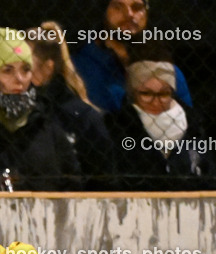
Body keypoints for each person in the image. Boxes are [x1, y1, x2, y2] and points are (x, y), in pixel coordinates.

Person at [0, 28, 82, 191]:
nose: (19, 79)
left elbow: (73, 183)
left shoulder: (46, 123)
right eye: (8, 70)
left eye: (26, 69)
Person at [27, 21, 115, 190]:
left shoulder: (82, 116)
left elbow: (104, 182)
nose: (19, 75)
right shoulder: (16, 111)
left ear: (47, 68)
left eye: (26, 67)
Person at [110, 57, 215, 190]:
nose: (156, 101)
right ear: (133, 94)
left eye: (164, 94)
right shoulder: (118, 127)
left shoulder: (195, 125)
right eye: (146, 94)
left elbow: (209, 174)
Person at [73, 0, 192, 114]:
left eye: (137, 7)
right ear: (104, 11)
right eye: (118, 7)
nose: (129, 14)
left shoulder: (166, 68)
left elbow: (189, 123)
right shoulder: (79, 65)